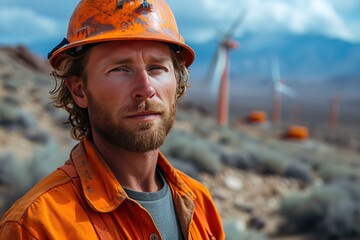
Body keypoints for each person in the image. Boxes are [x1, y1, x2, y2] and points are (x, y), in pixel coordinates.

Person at [0, 0, 225, 239]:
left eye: (157, 68)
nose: (145, 88)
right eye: (120, 69)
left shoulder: (199, 202)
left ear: (177, 82)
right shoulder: (37, 225)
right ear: (79, 91)